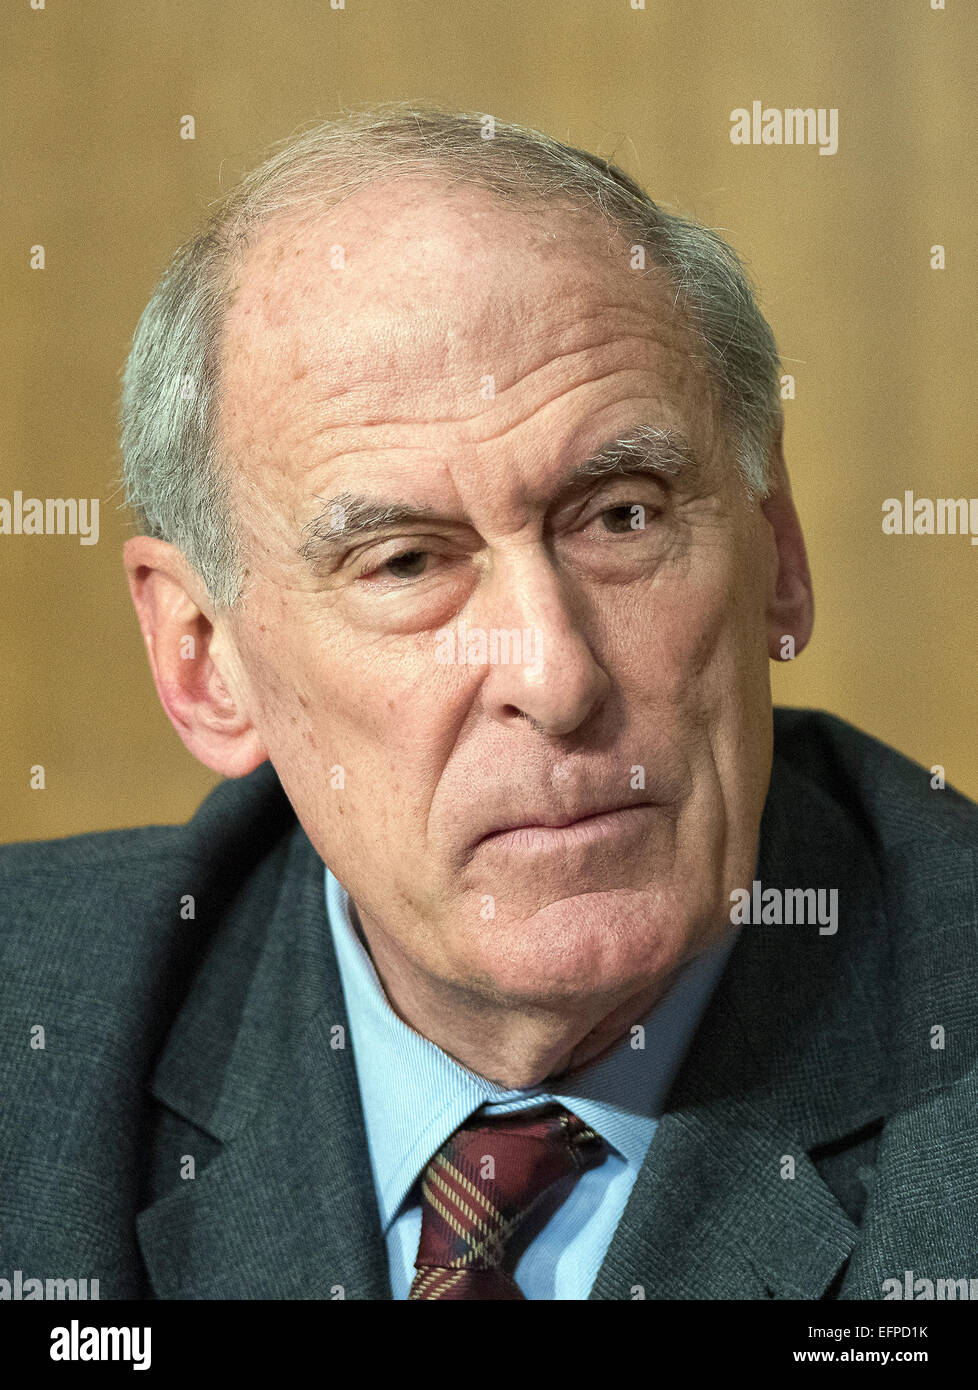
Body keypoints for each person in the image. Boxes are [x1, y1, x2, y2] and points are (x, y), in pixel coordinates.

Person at [2, 105, 975, 1301]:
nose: (555, 677)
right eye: (406, 561)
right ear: (205, 658)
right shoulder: (33, 1035)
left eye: (622, 514)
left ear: (776, 547)